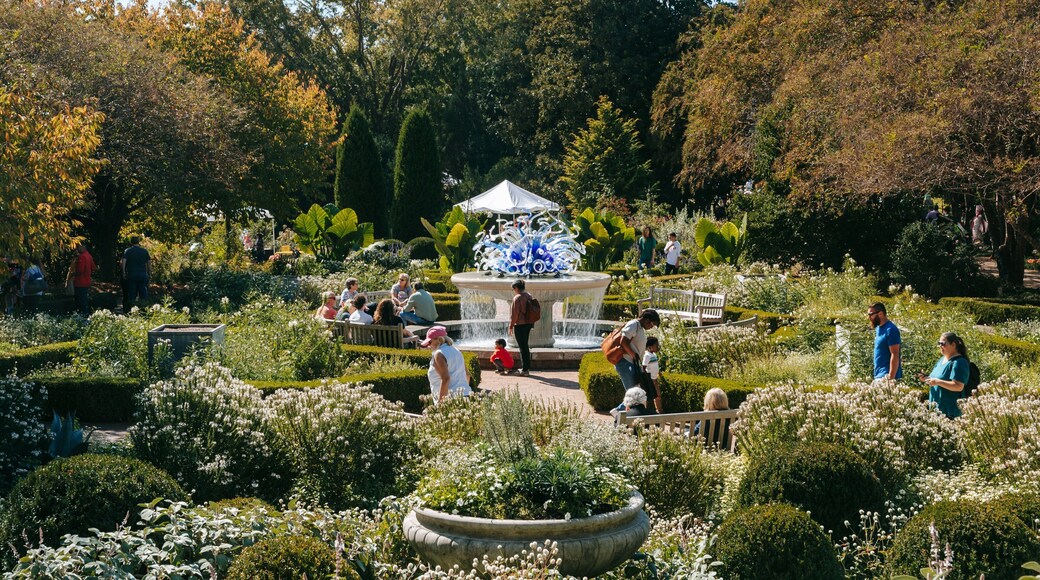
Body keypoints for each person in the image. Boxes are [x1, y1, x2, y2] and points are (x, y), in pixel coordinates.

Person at [919, 332, 970, 419]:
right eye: (939, 343)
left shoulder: (959, 362)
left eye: (943, 344)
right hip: (935, 411)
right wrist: (926, 378)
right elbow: (936, 379)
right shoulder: (941, 360)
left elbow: (958, 386)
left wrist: (938, 382)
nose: (940, 346)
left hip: (949, 413)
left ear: (953, 345)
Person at [614, 309, 661, 390]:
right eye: (653, 324)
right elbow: (623, 342)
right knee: (633, 393)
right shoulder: (633, 324)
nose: (652, 327)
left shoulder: (639, 327)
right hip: (626, 362)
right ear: (647, 320)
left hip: (632, 363)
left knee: (636, 393)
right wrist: (634, 355)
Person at [422, 326, 471, 403]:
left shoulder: (438, 354)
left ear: (439, 340)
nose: (429, 345)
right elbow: (467, 375)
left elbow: (446, 379)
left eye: (430, 342)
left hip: (450, 400)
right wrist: (464, 392)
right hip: (466, 396)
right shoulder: (457, 351)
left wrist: (440, 404)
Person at [868, 302, 902, 383]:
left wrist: (891, 378)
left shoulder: (890, 330)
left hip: (886, 377)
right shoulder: (878, 328)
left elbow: (895, 354)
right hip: (878, 375)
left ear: (880, 314)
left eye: (871, 314)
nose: (869, 317)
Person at [509, 279, 536, 376]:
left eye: (513, 289)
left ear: (516, 288)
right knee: (525, 346)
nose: (514, 291)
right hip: (528, 323)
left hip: (520, 325)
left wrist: (511, 326)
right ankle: (526, 368)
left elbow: (514, 315)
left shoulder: (517, 298)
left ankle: (525, 370)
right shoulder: (528, 295)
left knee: (522, 347)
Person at [66, 244, 96, 317]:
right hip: (87, 281)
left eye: (78, 247)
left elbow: (80, 270)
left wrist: (72, 274)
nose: (77, 249)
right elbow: (93, 267)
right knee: (84, 299)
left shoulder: (82, 256)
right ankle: (85, 314)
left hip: (80, 282)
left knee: (80, 300)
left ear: (83, 247)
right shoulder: (89, 255)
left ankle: (83, 316)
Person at [121, 236, 151, 307]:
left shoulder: (127, 251)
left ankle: (132, 309)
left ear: (131, 242)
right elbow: (149, 264)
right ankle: (144, 309)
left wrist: (124, 273)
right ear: (138, 242)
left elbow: (123, 262)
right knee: (143, 295)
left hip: (132, 275)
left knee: (132, 295)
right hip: (142, 275)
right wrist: (149, 274)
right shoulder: (144, 251)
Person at [642, 336, 663, 413]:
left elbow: (655, 365)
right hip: (650, 380)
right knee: (647, 397)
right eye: (656, 345)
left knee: (658, 395)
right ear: (650, 347)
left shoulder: (654, 354)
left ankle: (659, 410)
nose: (658, 347)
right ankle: (644, 411)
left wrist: (659, 372)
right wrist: (646, 378)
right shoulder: (647, 355)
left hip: (655, 379)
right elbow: (644, 367)